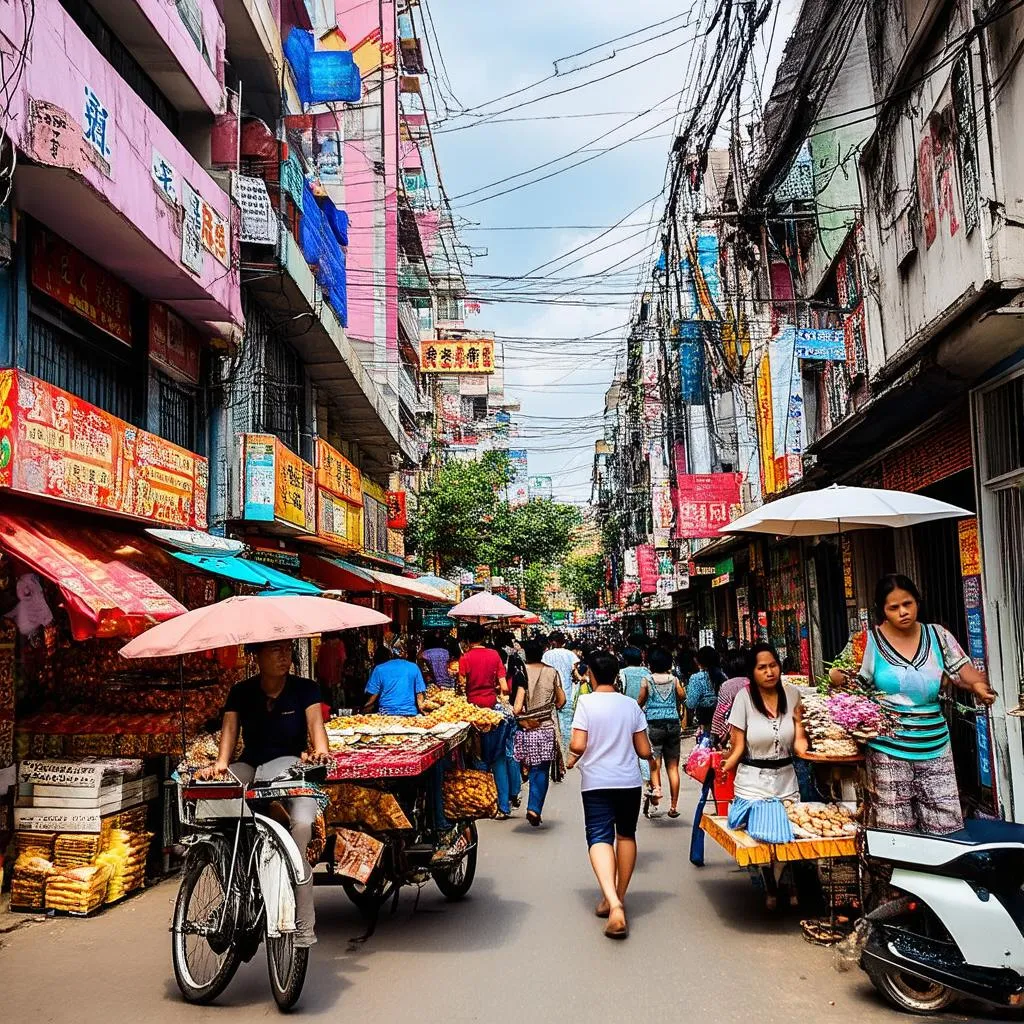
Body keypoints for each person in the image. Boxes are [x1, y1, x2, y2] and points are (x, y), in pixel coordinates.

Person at [830, 574, 996, 834]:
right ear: (882, 611)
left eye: (907, 604)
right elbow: (838, 675)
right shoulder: (866, 642)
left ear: (917, 602)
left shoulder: (937, 635)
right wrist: (841, 676)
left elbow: (962, 669)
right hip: (888, 748)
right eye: (893, 608)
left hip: (936, 744)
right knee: (896, 829)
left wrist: (979, 687)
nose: (903, 612)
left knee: (945, 825)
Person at [199, 639, 332, 947]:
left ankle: (303, 925)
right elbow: (230, 734)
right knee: (220, 805)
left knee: (300, 828)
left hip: (289, 767)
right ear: (256, 655)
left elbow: (317, 729)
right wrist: (220, 767)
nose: (284, 656)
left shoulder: (305, 689)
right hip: (250, 766)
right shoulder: (241, 692)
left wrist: (321, 752)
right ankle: (235, 888)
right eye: (275, 650)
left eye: (287, 650)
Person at [567, 650, 653, 940]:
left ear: (590, 675)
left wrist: (570, 757)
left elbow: (578, 743)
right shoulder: (630, 705)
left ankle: (613, 904)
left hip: (596, 781)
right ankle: (617, 897)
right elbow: (643, 750)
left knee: (599, 836)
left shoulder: (586, 703)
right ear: (616, 675)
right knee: (626, 835)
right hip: (628, 781)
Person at [720, 643, 808, 906]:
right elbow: (737, 748)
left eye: (773, 665)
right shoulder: (743, 699)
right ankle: (771, 884)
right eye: (762, 667)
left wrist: (821, 754)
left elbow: (800, 741)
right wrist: (721, 768)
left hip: (787, 777)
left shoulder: (793, 695)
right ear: (752, 672)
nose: (769, 672)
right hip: (752, 781)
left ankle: (782, 882)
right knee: (762, 835)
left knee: (789, 834)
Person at [457, 624, 516, 818]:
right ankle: (503, 806)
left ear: (467, 641)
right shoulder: (494, 655)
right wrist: (495, 692)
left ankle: (483, 804)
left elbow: (462, 684)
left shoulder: (465, 658)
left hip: (473, 713)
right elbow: (504, 687)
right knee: (498, 757)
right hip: (492, 712)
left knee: (477, 757)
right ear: (484, 638)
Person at [513, 638, 567, 826]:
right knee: (541, 769)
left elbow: (517, 708)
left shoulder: (520, 673)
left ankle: (531, 805)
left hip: (528, 730)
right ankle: (534, 808)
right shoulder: (552, 672)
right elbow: (561, 701)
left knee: (531, 767)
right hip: (545, 728)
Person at [638, 646, 686, 818]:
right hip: (673, 724)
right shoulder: (674, 680)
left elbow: (640, 700)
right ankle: (673, 807)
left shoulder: (647, 680)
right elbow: (682, 696)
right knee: (672, 767)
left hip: (654, 725)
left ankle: (657, 790)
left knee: (654, 763)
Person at [364, 637, 427, 716]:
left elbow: (373, 696)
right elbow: (419, 694)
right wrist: (422, 710)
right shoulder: (414, 667)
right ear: (405, 654)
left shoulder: (379, 669)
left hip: (386, 714)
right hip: (409, 713)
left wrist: (363, 709)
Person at [543, 631, 579, 754]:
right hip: (567, 691)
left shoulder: (547, 655)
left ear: (551, 642)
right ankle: (566, 750)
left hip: (551, 693)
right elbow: (575, 672)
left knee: (552, 721)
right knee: (567, 723)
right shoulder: (570, 654)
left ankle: (555, 749)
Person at [685, 646, 726, 733]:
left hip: (705, 720)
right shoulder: (723, 676)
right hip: (723, 720)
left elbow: (691, 703)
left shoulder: (696, 678)